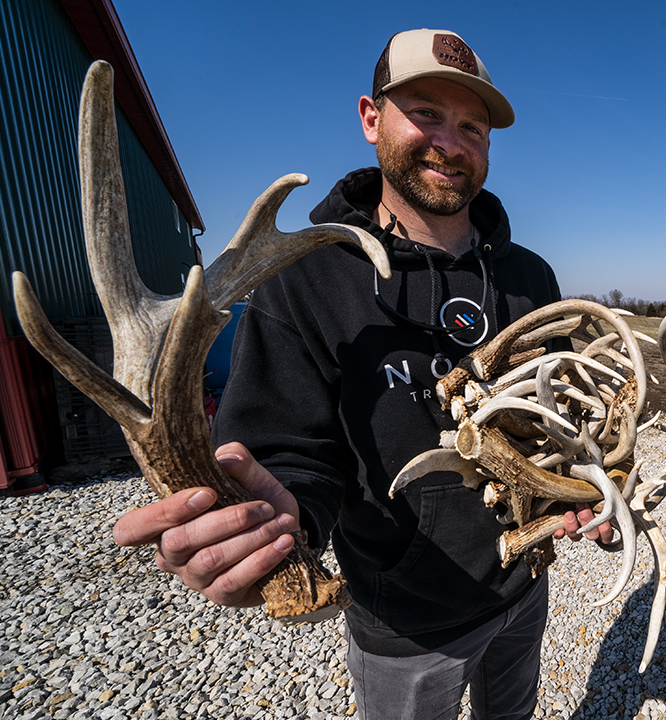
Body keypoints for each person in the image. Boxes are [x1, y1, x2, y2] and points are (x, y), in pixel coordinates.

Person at [111, 28, 605, 720]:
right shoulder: (304, 278)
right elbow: (290, 455)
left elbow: (555, 417)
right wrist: (278, 520)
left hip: (523, 587)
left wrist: (578, 490)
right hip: (405, 626)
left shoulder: (529, 277)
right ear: (372, 118)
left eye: (473, 126)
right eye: (426, 113)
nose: (451, 142)